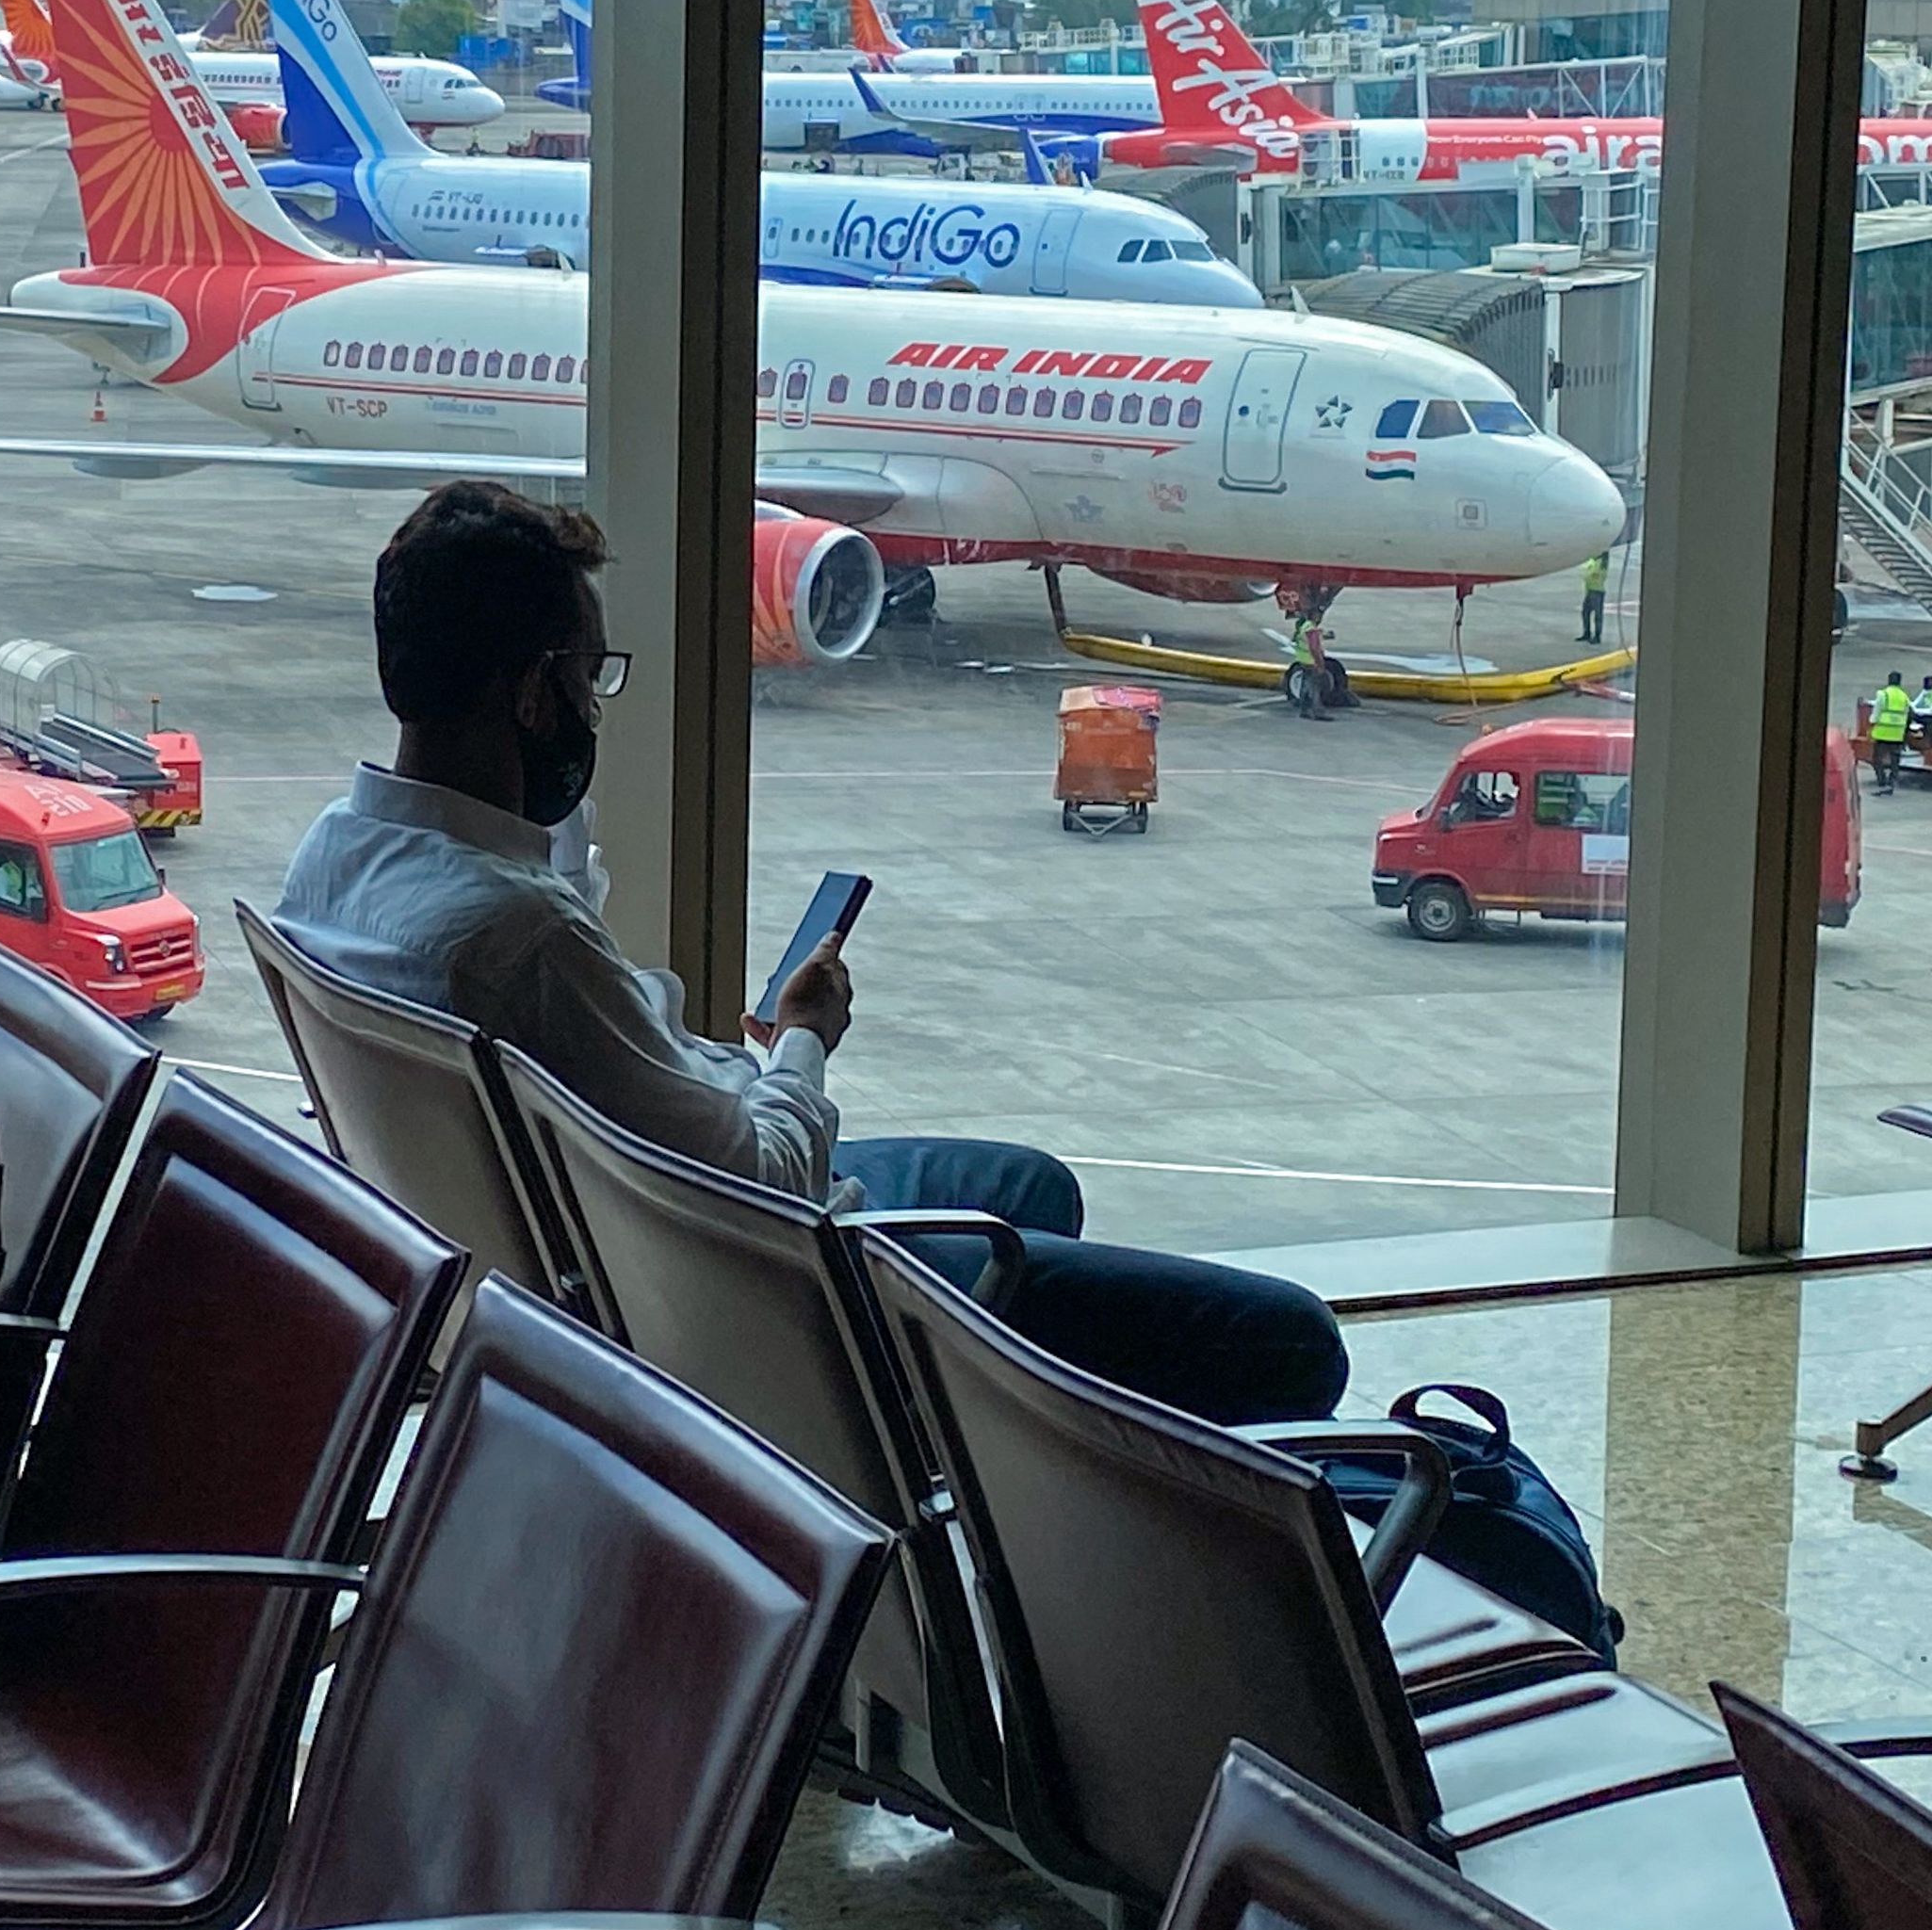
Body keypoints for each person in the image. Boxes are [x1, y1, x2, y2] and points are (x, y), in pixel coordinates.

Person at [277, 483, 1348, 1425]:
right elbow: (768, 1186)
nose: (590, 707)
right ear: (526, 693)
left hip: (625, 1242)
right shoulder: (521, 942)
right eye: (583, 677)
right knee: (1292, 1342)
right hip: (774, 1287)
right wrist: (799, 1043)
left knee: (1030, 1187)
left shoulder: (335, 863)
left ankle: (997, 1432)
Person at [1876, 671, 1912, 796]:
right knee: (1894, 760)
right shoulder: (1904, 697)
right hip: (1897, 734)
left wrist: (1871, 723)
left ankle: (1882, 781)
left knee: (1877, 759)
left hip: (1882, 733)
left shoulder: (1883, 694)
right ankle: (1892, 782)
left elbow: (1876, 713)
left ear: (1888, 680)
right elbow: (1909, 714)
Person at [1579, 553, 1609, 644]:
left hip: (1597, 591)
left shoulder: (1602, 563)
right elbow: (1585, 573)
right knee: (1585, 612)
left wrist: (1587, 573)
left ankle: (1597, 636)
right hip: (1590, 590)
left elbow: (1590, 574)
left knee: (1597, 615)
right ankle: (1587, 633)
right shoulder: (1593, 561)